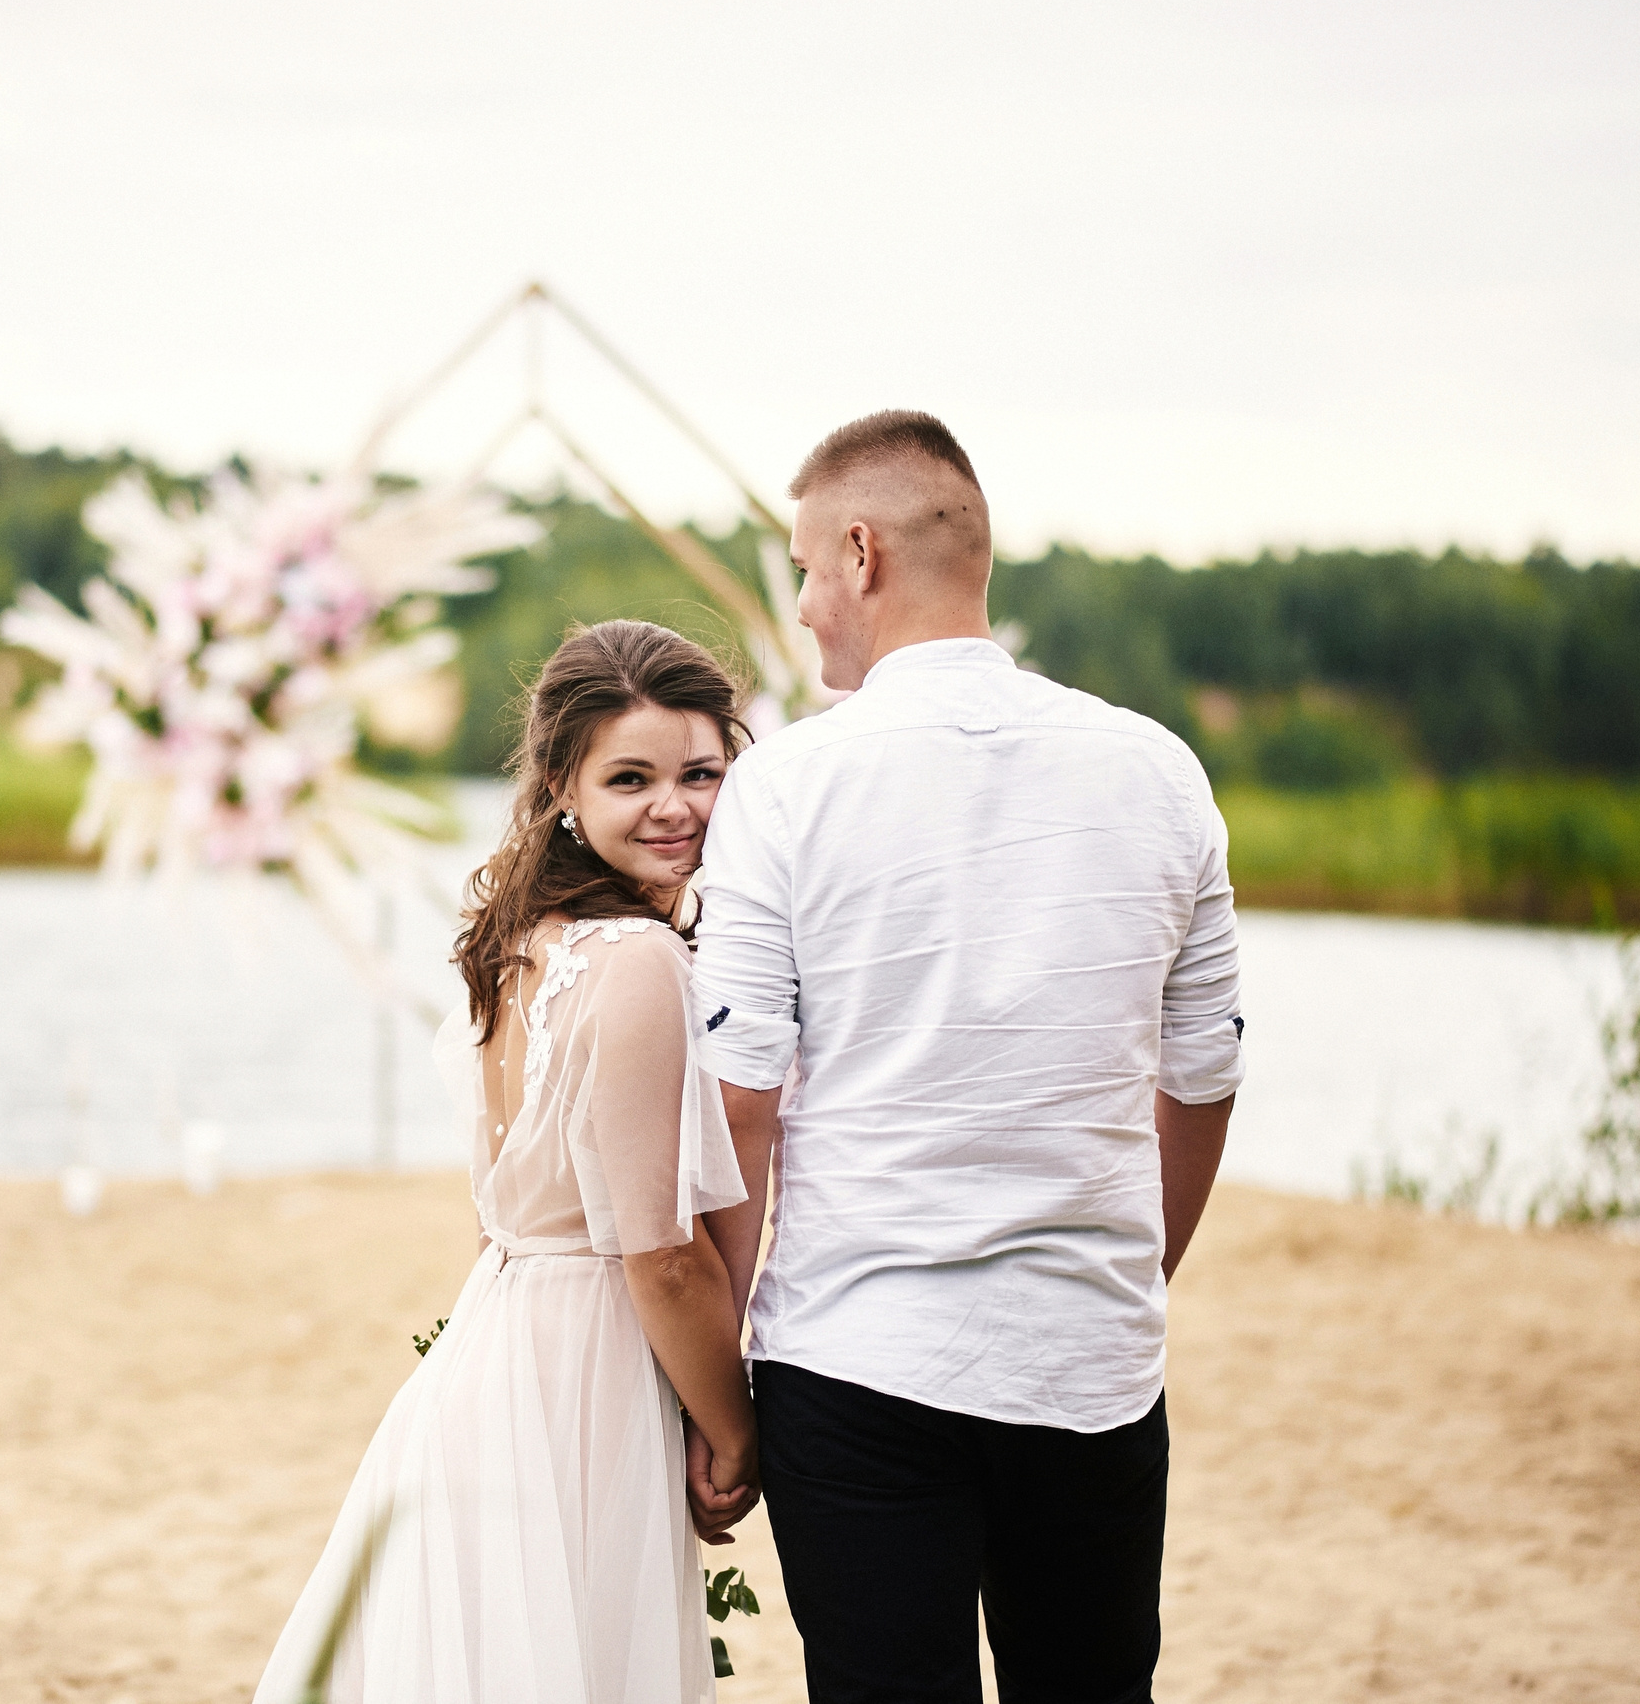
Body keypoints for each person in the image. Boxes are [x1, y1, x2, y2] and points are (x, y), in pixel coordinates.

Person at [688, 412, 1245, 1704]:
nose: (807, 601)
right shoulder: (1160, 772)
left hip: (858, 1359)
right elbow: (1203, 1076)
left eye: (805, 566)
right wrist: (1124, 1268)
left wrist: (722, 1382)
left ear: (862, 552)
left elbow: (743, 1103)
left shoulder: (789, 785)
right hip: (1091, 1362)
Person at [255, 620, 763, 1704]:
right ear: (560, 786)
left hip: (498, 1346)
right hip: (586, 1365)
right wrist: (732, 1429)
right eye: (631, 777)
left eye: (702, 771)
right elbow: (658, 1255)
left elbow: (502, 1210)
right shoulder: (635, 962)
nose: (675, 805)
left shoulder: (520, 935)